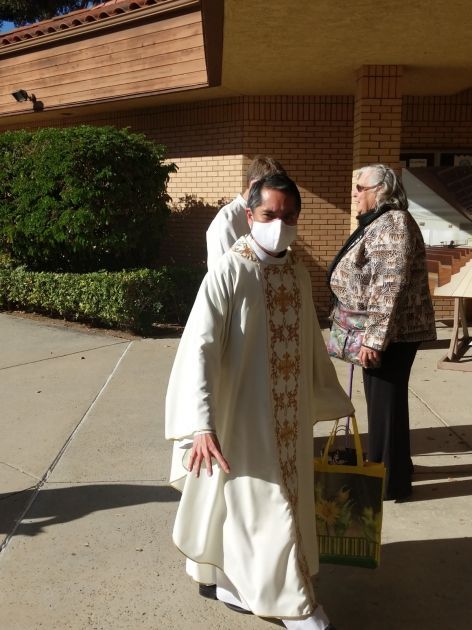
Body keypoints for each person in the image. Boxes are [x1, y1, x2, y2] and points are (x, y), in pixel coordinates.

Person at [166, 173, 354, 629]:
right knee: (262, 502)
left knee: (248, 504)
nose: (279, 225)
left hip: (290, 416)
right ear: (249, 216)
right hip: (241, 414)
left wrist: (327, 396)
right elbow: (199, 349)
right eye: (270, 214)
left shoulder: (296, 272)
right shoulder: (230, 271)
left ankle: (227, 581)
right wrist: (202, 423)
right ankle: (296, 605)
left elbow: (310, 342)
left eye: (289, 216)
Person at [328, 164, 436, 501]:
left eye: (360, 187)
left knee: (385, 407)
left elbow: (389, 286)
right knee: (385, 406)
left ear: (381, 191)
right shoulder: (383, 221)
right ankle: (394, 471)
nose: (354, 193)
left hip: (391, 336)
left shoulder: (394, 223)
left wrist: (374, 341)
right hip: (387, 333)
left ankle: (388, 482)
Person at [205, 155, 286, 269]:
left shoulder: (270, 215)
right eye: (272, 189)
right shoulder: (227, 220)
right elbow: (224, 272)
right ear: (254, 185)